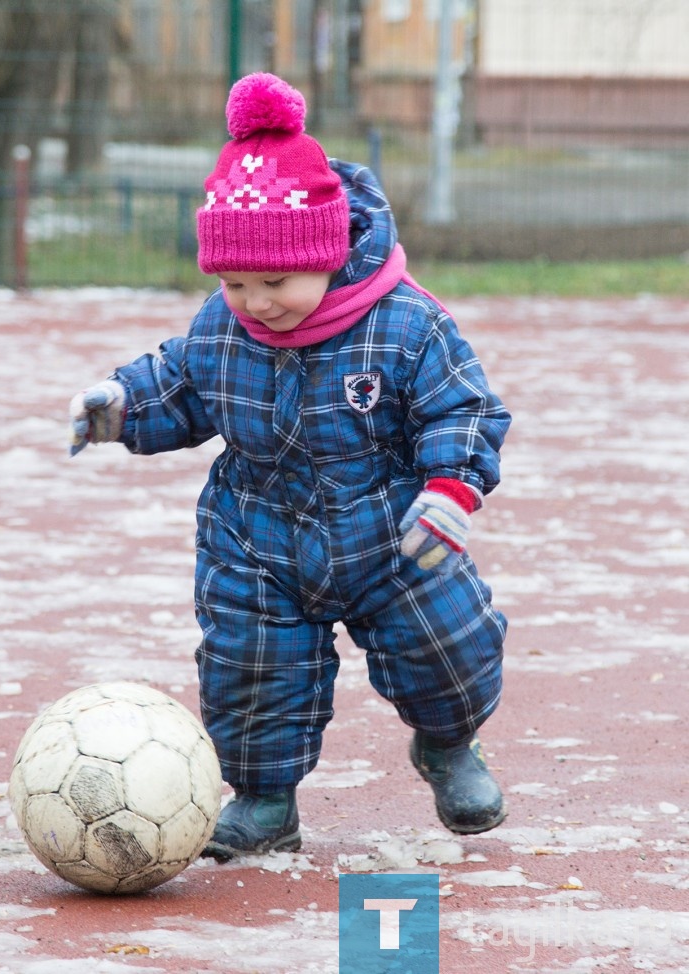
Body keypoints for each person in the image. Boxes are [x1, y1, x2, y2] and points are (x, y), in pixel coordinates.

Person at [67, 72, 511, 861]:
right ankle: (266, 799)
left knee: (449, 650)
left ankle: (448, 746)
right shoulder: (226, 325)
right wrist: (120, 407)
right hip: (257, 534)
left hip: (394, 531)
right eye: (234, 282)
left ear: (325, 253)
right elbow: (182, 380)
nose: (256, 301)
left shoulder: (405, 323)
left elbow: (463, 407)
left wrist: (451, 490)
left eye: (275, 281)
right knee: (248, 671)